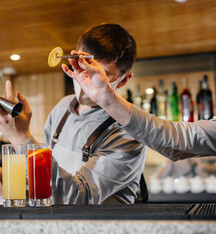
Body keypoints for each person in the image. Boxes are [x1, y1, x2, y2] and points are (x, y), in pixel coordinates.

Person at [0, 23, 147, 204]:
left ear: (123, 80)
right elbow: (49, 185)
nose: (86, 80)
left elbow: (79, 199)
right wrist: (11, 182)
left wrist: (20, 137)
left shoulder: (129, 130)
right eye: (83, 66)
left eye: (102, 74)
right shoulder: (62, 108)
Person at [63, 48, 216, 162]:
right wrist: (106, 98)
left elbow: (186, 139)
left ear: (124, 80)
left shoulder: (122, 136)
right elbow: (182, 141)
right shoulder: (63, 107)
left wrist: (107, 98)